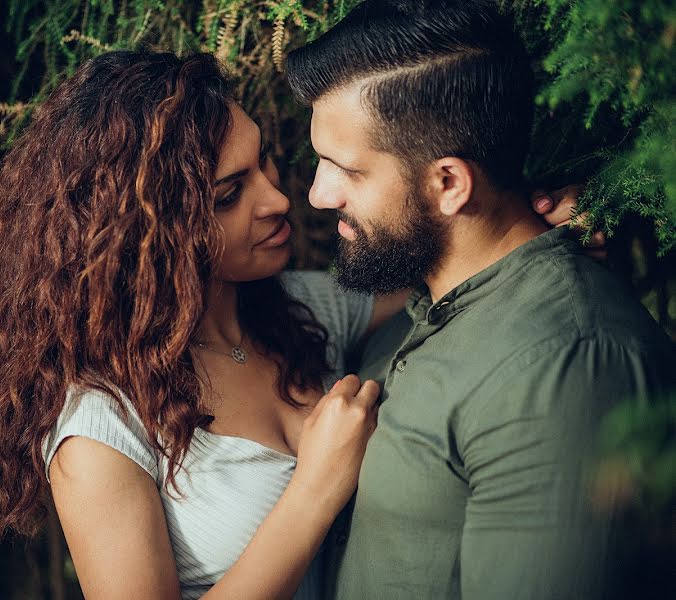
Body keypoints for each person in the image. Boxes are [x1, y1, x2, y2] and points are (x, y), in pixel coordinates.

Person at [0, 50, 594, 599]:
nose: (278, 199)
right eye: (229, 195)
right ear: (143, 235)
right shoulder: (102, 424)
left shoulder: (302, 308)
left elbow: (459, 262)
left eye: (263, 163)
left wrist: (538, 217)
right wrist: (315, 488)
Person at [283, 1, 676, 598]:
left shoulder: (563, 368)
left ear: (448, 184)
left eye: (346, 170)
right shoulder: (421, 305)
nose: (317, 194)